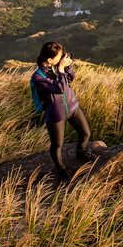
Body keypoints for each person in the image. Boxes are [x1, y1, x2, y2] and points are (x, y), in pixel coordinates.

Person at [30, 41, 96, 183]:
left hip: (72, 107)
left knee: (85, 133)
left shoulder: (56, 67)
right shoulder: (38, 77)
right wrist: (60, 69)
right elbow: (59, 88)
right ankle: (60, 169)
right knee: (57, 145)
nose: (61, 59)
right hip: (56, 113)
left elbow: (71, 78)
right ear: (49, 60)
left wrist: (68, 66)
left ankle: (81, 150)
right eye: (59, 57)